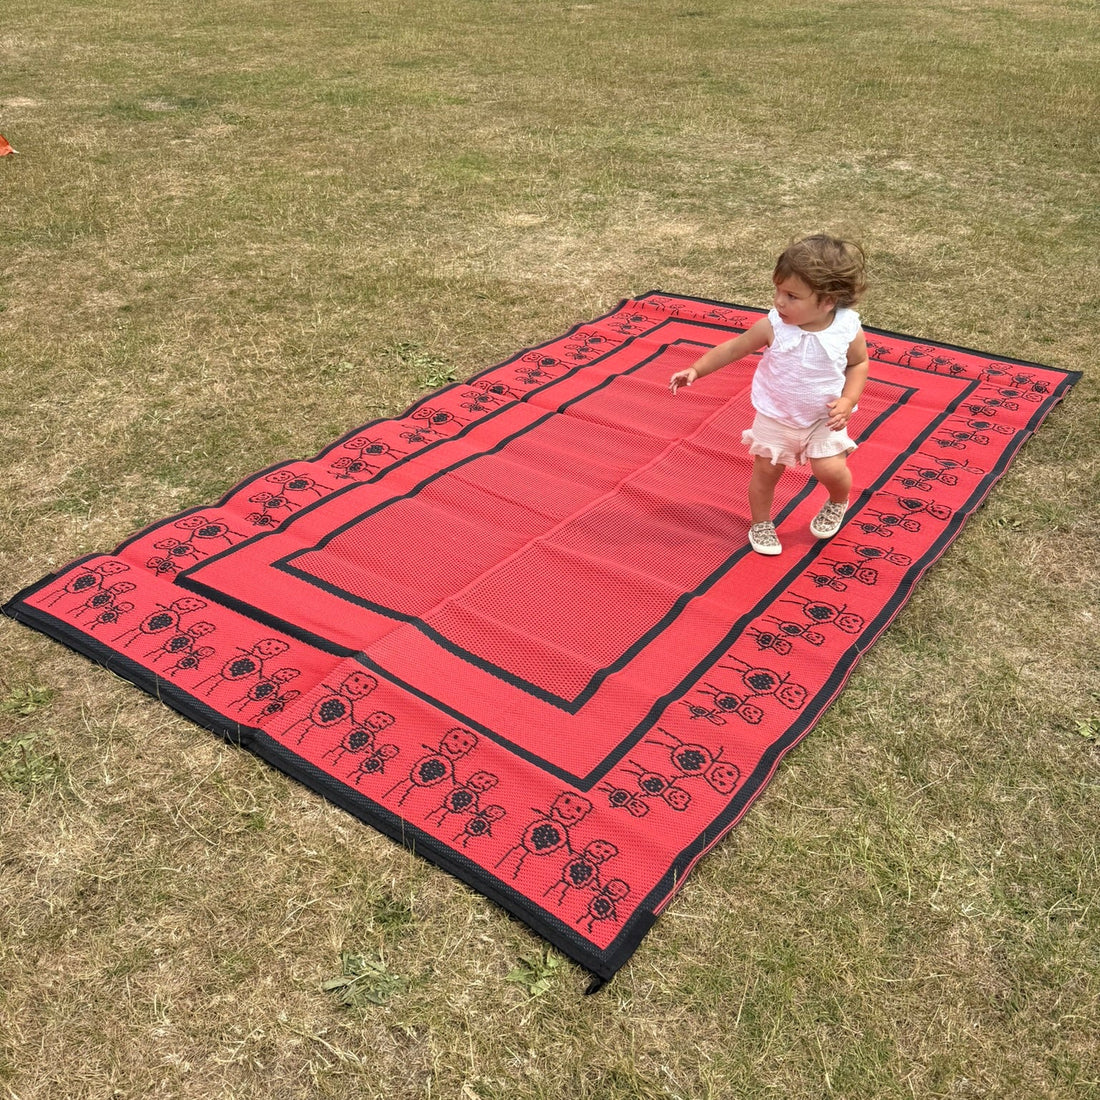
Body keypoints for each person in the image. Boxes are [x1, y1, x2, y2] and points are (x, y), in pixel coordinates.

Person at [669, 234, 869, 556]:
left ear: (828, 301)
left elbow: (858, 363)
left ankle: (837, 500)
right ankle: (760, 522)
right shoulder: (773, 327)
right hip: (776, 416)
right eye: (777, 290)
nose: (779, 301)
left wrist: (848, 400)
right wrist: (696, 369)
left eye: (791, 295)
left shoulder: (846, 329)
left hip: (823, 418)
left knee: (829, 469)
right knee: (765, 473)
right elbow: (733, 349)